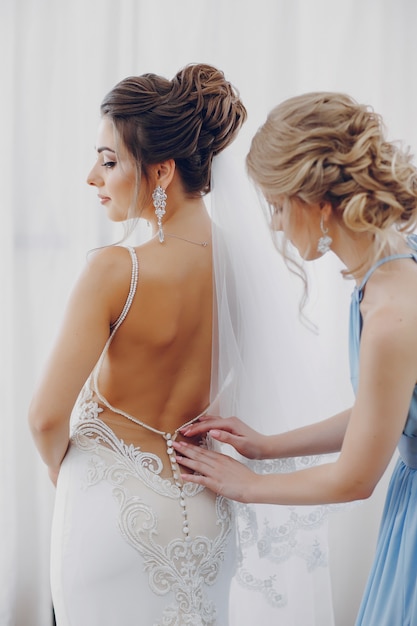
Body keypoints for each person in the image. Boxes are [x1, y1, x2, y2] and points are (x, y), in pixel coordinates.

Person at [173, 92, 417, 625]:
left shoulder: (394, 313)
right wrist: (266, 446)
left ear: (318, 202)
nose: (278, 226)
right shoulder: (391, 263)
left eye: (279, 207)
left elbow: (356, 478)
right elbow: (388, 412)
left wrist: (249, 487)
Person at [28, 63, 246, 626]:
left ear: (163, 171)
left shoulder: (116, 269)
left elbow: (45, 417)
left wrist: (79, 480)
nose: (92, 178)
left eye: (108, 161)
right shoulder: (238, 269)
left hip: (114, 521)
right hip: (206, 518)